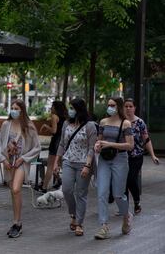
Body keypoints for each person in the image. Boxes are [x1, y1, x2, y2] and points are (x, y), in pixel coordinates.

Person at [0, 99, 41, 238]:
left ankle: (18, 222)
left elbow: (37, 147)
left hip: (21, 162)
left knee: (16, 189)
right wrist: (3, 159)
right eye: (12, 108)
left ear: (22, 110)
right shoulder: (6, 124)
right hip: (9, 162)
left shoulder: (28, 126)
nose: (13, 110)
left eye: (16, 108)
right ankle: (16, 222)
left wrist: (24, 158)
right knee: (13, 192)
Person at [54, 98, 97, 236]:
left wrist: (87, 165)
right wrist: (56, 162)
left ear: (79, 109)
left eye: (72, 108)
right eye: (69, 108)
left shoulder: (90, 126)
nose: (70, 111)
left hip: (84, 163)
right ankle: (73, 214)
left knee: (81, 193)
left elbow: (92, 148)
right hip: (68, 161)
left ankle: (79, 223)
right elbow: (61, 144)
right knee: (66, 190)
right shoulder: (66, 124)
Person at [94, 97, 134, 240]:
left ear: (119, 107)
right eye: (108, 105)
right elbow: (99, 140)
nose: (109, 107)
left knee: (118, 194)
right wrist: (97, 145)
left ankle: (126, 215)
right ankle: (103, 226)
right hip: (104, 160)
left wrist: (110, 144)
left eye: (112, 105)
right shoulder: (103, 122)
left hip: (120, 160)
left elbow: (130, 145)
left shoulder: (125, 123)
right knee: (102, 192)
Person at [124, 98, 160, 215]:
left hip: (136, 156)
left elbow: (147, 139)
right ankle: (124, 206)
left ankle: (136, 201)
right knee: (122, 180)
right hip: (122, 157)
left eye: (130, 106)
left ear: (134, 108)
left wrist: (153, 155)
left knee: (130, 179)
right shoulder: (121, 121)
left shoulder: (140, 122)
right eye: (126, 106)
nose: (128, 108)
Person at [40, 101, 68, 192]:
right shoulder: (65, 118)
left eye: (52, 106)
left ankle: (44, 187)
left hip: (55, 141)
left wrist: (45, 126)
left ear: (55, 108)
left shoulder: (54, 116)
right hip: (62, 142)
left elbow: (54, 131)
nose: (51, 108)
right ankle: (60, 181)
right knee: (59, 164)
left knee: (50, 166)